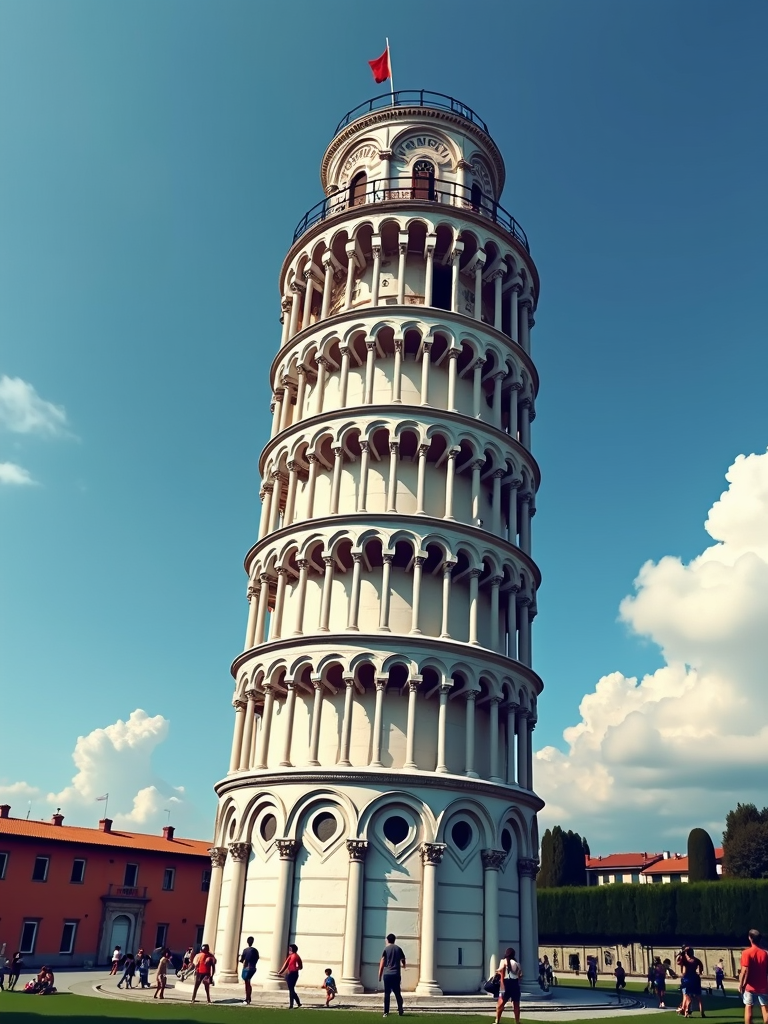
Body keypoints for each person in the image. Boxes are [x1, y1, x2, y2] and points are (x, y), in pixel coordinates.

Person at [739, 929, 768, 1024]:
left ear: (750, 938)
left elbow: (744, 971)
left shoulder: (746, 953)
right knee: (765, 1008)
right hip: (763, 985)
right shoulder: (764, 953)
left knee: (748, 1007)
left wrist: (741, 985)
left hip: (750, 986)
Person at [378, 933, 406, 1017]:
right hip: (396, 974)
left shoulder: (386, 949)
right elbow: (403, 959)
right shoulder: (398, 949)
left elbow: (382, 962)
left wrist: (380, 975)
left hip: (387, 974)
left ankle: (386, 1012)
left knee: (387, 993)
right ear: (394, 940)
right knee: (397, 992)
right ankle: (400, 1009)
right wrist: (404, 966)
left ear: (387, 940)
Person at [495, 947, 523, 1024]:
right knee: (516, 1004)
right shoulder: (517, 963)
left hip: (506, 983)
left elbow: (500, 971)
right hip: (515, 984)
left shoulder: (503, 961)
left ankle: (497, 1020)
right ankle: (517, 1021)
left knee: (500, 1004)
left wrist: (497, 973)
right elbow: (520, 975)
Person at [679, 947, 705, 1018]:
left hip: (687, 979)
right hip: (695, 978)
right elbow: (701, 967)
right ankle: (702, 1012)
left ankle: (686, 1012)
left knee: (688, 997)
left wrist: (681, 954)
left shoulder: (687, 960)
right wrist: (700, 972)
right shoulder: (696, 960)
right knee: (698, 997)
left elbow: (679, 962)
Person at [279, 943, 304, 1009]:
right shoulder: (297, 956)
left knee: (291, 989)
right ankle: (297, 1003)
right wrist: (296, 968)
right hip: (295, 974)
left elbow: (285, 965)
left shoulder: (291, 956)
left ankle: (292, 1005)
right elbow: (300, 967)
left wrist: (280, 972)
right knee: (291, 989)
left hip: (290, 974)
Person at [240, 936, 260, 1006]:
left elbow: (242, 960)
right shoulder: (255, 950)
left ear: (247, 942)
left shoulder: (246, 950)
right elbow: (257, 958)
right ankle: (249, 997)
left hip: (247, 968)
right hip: (253, 968)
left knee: (247, 984)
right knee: (248, 982)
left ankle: (247, 998)